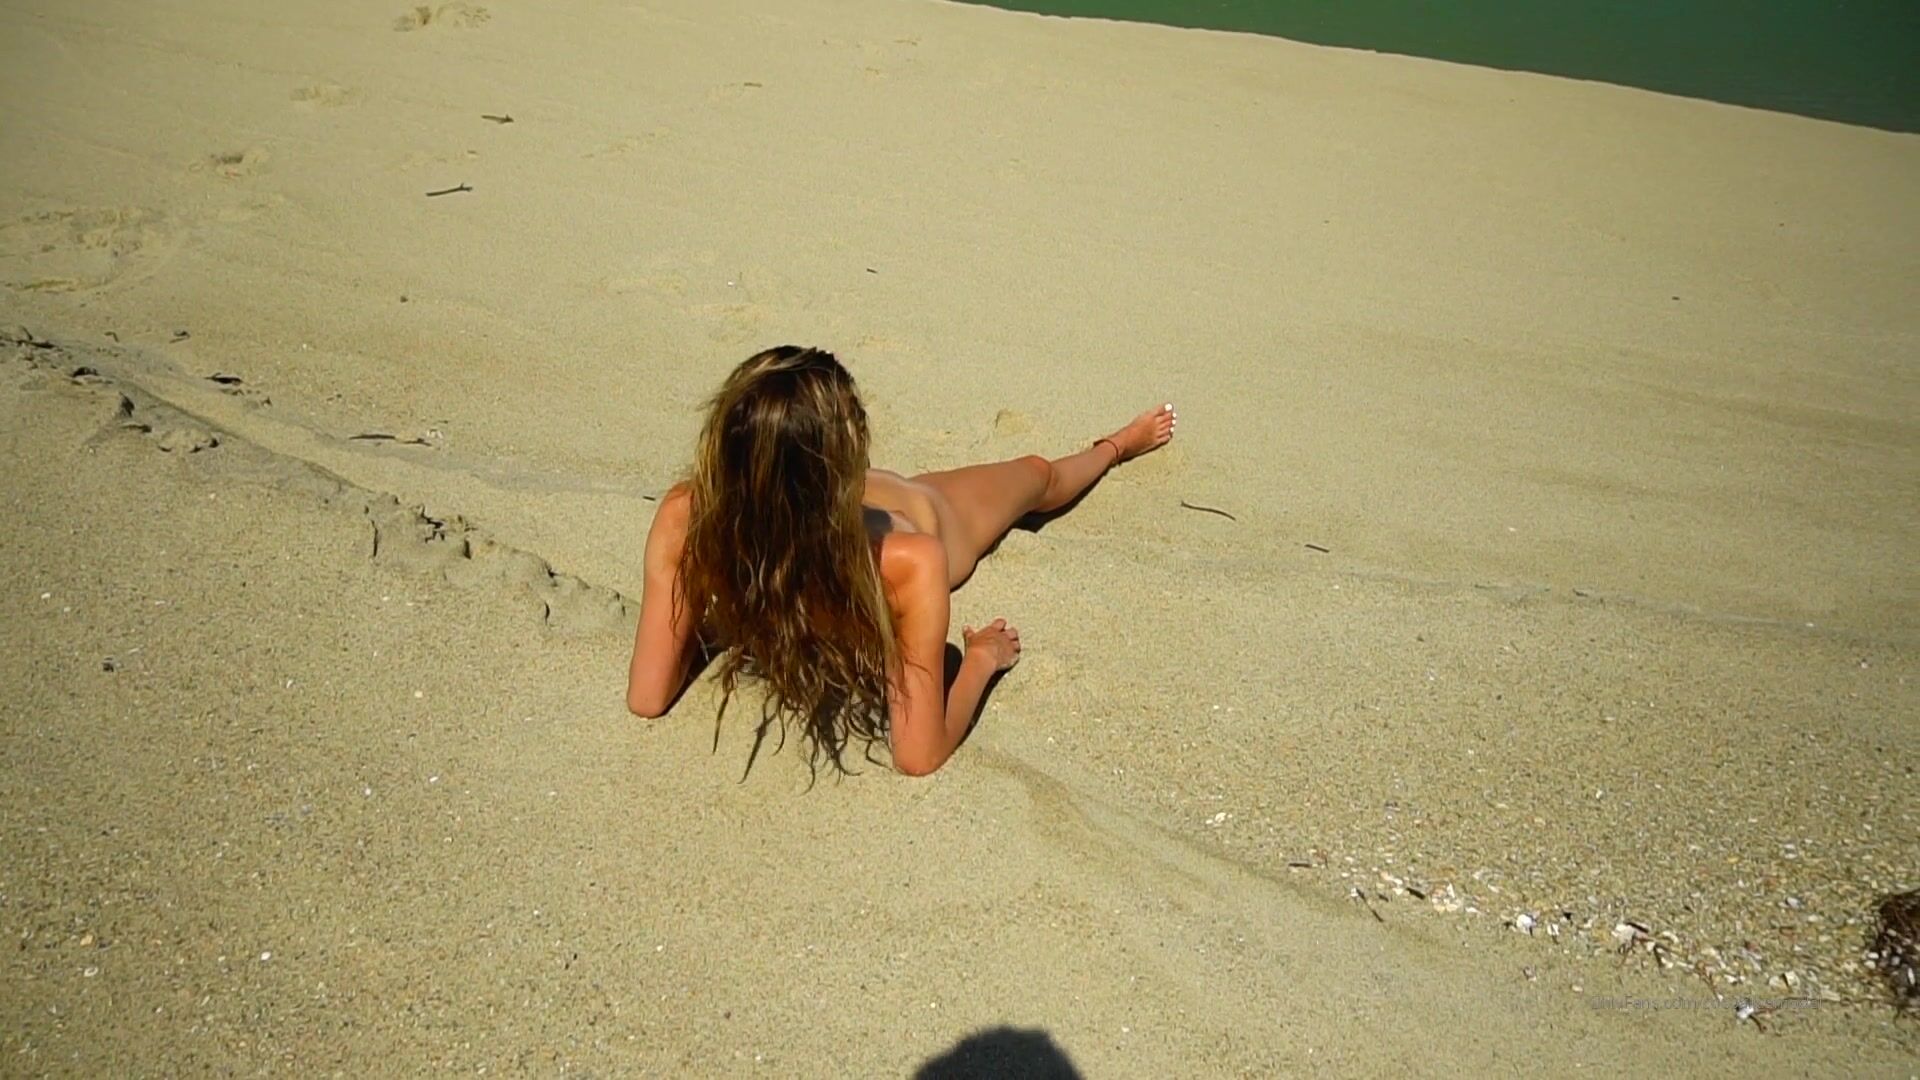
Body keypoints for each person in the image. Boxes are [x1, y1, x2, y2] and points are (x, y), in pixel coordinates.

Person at [625, 346, 1175, 776]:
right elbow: (919, 755)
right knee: (1035, 473)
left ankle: (1115, 447)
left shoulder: (684, 516)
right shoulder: (907, 563)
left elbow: (648, 696)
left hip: (866, 512)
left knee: (1037, 480)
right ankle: (1115, 445)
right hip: (894, 517)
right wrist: (981, 660)